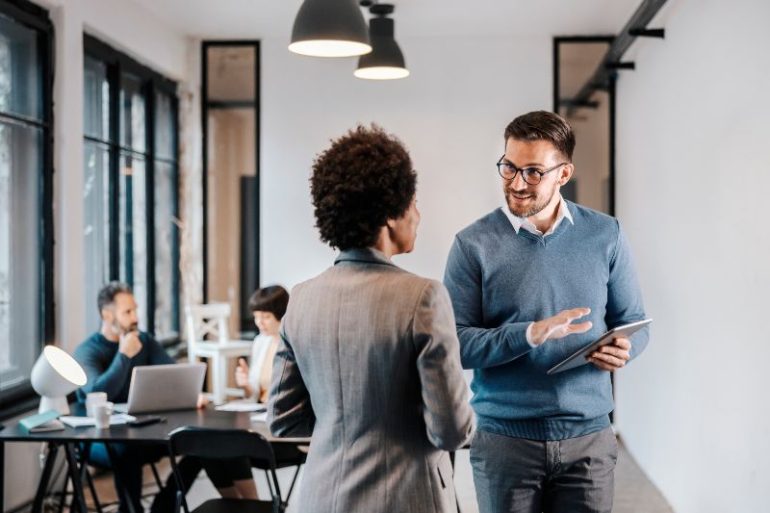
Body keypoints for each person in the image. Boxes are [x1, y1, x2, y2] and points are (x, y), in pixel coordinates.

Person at [443, 110, 650, 513]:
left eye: (533, 172)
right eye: (508, 168)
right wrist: (529, 334)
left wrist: (626, 348)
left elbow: (635, 322)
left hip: (589, 440)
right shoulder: (472, 245)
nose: (517, 183)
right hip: (505, 443)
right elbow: (456, 344)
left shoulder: (606, 234)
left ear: (564, 173)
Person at [268, 125, 475, 513]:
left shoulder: (302, 299)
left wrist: (343, 432)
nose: (418, 213)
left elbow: (282, 420)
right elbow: (450, 430)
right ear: (390, 216)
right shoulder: (423, 298)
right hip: (406, 498)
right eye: (413, 202)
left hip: (318, 498)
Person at [74, 282, 203, 512]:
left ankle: (162, 507)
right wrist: (123, 356)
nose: (135, 317)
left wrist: (192, 393)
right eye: (127, 312)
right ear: (106, 314)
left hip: (142, 430)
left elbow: (175, 375)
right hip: (98, 439)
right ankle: (131, 509)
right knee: (127, 449)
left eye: (135, 310)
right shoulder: (88, 352)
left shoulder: (144, 340)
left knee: (198, 443)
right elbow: (98, 392)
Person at [202, 285, 292, 500]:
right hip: (259, 417)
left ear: (281, 315)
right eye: (256, 317)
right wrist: (246, 385)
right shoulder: (260, 342)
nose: (259, 322)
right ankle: (234, 505)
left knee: (231, 444)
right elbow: (256, 393)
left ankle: (253, 505)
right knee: (207, 447)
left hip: (281, 427)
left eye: (266, 317)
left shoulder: (291, 344)